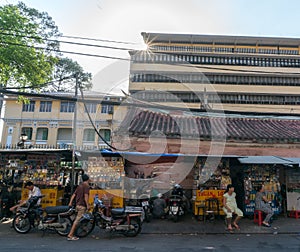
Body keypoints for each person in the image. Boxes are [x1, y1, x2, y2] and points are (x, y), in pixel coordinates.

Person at [67, 173, 90, 241]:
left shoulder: (79, 186)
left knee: (79, 218)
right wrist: (88, 205)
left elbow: (74, 195)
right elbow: (86, 197)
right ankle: (70, 235)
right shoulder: (86, 186)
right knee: (77, 220)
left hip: (77, 205)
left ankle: (84, 229)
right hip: (82, 205)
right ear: (88, 179)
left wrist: (70, 202)